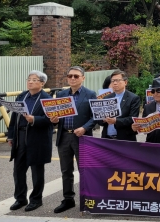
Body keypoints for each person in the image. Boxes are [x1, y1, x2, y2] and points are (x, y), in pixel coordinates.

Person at [50, 66, 97, 213]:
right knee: (66, 170)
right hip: (64, 136)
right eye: (70, 76)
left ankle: (87, 199)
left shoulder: (90, 94)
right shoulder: (61, 94)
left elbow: (95, 116)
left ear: (83, 78)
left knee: (84, 169)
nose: (72, 78)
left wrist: (84, 128)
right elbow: (56, 116)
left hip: (81, 136)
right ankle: (68, 199)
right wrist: (54, 120)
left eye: (76, 76)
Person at [7, 70, 53, 212]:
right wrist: (11, 135)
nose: (30, 82)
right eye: (29, 79)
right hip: (20, 137)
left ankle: (36, 200)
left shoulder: (47, 99)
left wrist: (34, 119)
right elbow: (15, 117)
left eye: (34, 79)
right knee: (18, 170)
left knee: (36, 171)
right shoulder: (22, 96)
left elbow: (50, 120)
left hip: (37, 138)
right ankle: (20, 198)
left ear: (42, 83)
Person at [98, 70, 141, 141]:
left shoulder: (133, 98)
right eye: (113, 81)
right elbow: (99, 121)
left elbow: (132, 118)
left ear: (125, 82)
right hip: (107, 138)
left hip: (125, 138)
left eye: (117, 80)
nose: (114, 83)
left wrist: (115, 121)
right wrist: (103, 119)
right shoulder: (106, 98)